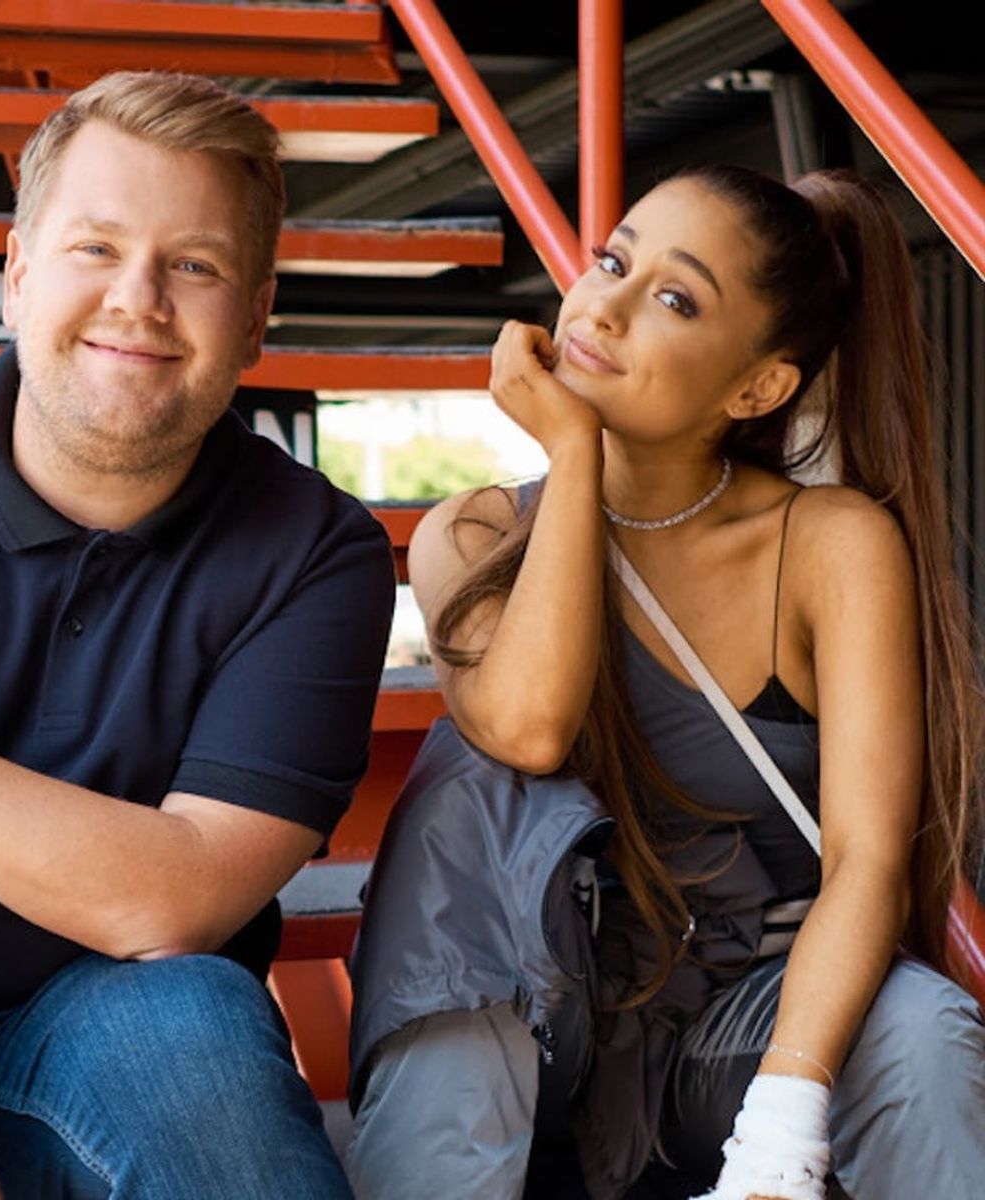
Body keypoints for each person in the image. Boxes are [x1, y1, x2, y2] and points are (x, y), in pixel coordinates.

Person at [0, 71, 395, 1199]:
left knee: (195, 1019)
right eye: (97, 248)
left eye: (195, 265)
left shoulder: (316, 553)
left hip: (96, 1033)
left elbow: (174, 902)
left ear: (257, 316)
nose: (140, 301)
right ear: (16, 277)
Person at [345, 165, 985, 1200]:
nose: (605, 305)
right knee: (471, 795)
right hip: (516, 1029)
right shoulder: (474, 533)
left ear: (758, 388)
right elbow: (530, 726)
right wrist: (572, 449)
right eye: (613, 260)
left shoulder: (827, 544)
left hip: (729, 1041)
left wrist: (780, 1128)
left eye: (674, 299)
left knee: (923, 1029)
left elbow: (869, 863)